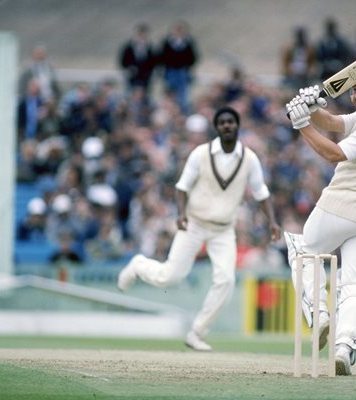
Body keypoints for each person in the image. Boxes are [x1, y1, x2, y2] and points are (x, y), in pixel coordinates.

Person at [117, 106, 281, 351]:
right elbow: (182, 187)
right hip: (194, 223)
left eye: (231, 122)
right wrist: (181, 213)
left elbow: (261, 193)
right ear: (216, 128)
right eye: (222, 122)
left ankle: (197, 332)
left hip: (224, 230)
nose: (227, 126)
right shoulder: (201, 154)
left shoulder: (249, 159)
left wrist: (272, 221)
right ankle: (139, 264)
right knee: (170, 276)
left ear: (238, 126)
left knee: (226, 280)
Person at [284, 69, 356, 375]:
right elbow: (334, 123)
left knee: (302, 249)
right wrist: (311, 107)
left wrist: (302, 126)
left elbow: (334, 153)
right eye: (354, 90)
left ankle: (319, 314)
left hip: (341, 206)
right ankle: (344, 348)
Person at [158, 20, 199, 115]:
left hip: (182, 71)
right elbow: (161, 57)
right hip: (170, 71)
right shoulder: (167, 42)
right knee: (169, 92)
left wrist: (186, 65)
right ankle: (169, 110)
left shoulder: (188, 43)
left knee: (183, 94)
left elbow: (193, 57)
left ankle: (182, 112)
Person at [118, 23, 158, 99]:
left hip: (145, 77)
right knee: (129, 95)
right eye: (139, 34)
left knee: (145, 96)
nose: (141, 37)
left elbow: (154, 62)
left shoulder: (150, 47)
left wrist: (149, 71)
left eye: (143, 34)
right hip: (132, 76)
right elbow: (123, 61)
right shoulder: (128, 47)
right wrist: (129, 68)